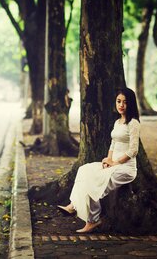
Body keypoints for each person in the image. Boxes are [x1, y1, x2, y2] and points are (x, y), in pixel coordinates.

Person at [58, 87, 141, 233]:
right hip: (112, 164)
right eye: (119, 101)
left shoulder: (133, 123)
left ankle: (92, 220)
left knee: (94, 182)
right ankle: (73, 205)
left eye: (125, 102)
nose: (121, 105)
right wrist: (108, 158)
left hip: (125, 168)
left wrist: (116, 162)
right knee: (84, 170)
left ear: (131, 104)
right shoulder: (118, 122)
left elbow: (133, 150)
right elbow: (113, 143)